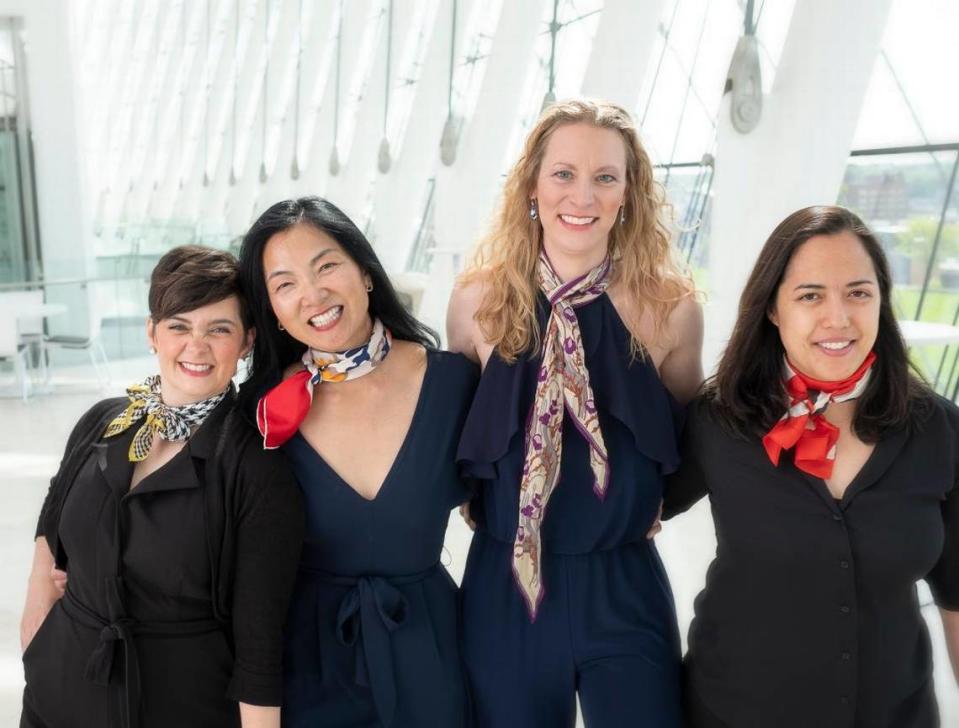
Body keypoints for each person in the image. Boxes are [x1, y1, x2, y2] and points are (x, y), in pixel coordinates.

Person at [446, 98, 703, 727]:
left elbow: (694, 441)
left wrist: (650, 508)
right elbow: (451, 434)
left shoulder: (669, 308)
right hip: (504, 581)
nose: (581, 195)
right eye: (563, 173)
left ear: (628, 193)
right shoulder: (478, 300)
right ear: (533, 184)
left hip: (624, 580)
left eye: (604, 177)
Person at [664, 205, 959, 728]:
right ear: (773, 309)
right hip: (731, 714)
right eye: (810, 295)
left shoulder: (940, 430)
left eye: (858, 292)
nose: (838, 318)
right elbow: (628, 512)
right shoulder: (718, 421)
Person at [19, 246, 305, 728]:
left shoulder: (255, 468)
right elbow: (53, 515)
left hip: (178, 705)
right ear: (152, 333)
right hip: (55, 696)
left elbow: (259, 649)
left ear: (247, 341)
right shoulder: (103, 421)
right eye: (179, 326)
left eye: (219, 329)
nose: (196, 346)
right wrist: (36, 618)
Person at [237, 196, 476, 728]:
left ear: (365, 273)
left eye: (326, 267)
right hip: (309, 666)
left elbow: (503, 503)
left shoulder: (453, 382)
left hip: (433, 655)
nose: (313, 294)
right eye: (285, 284)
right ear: (271, 310)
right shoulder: (261, 412)